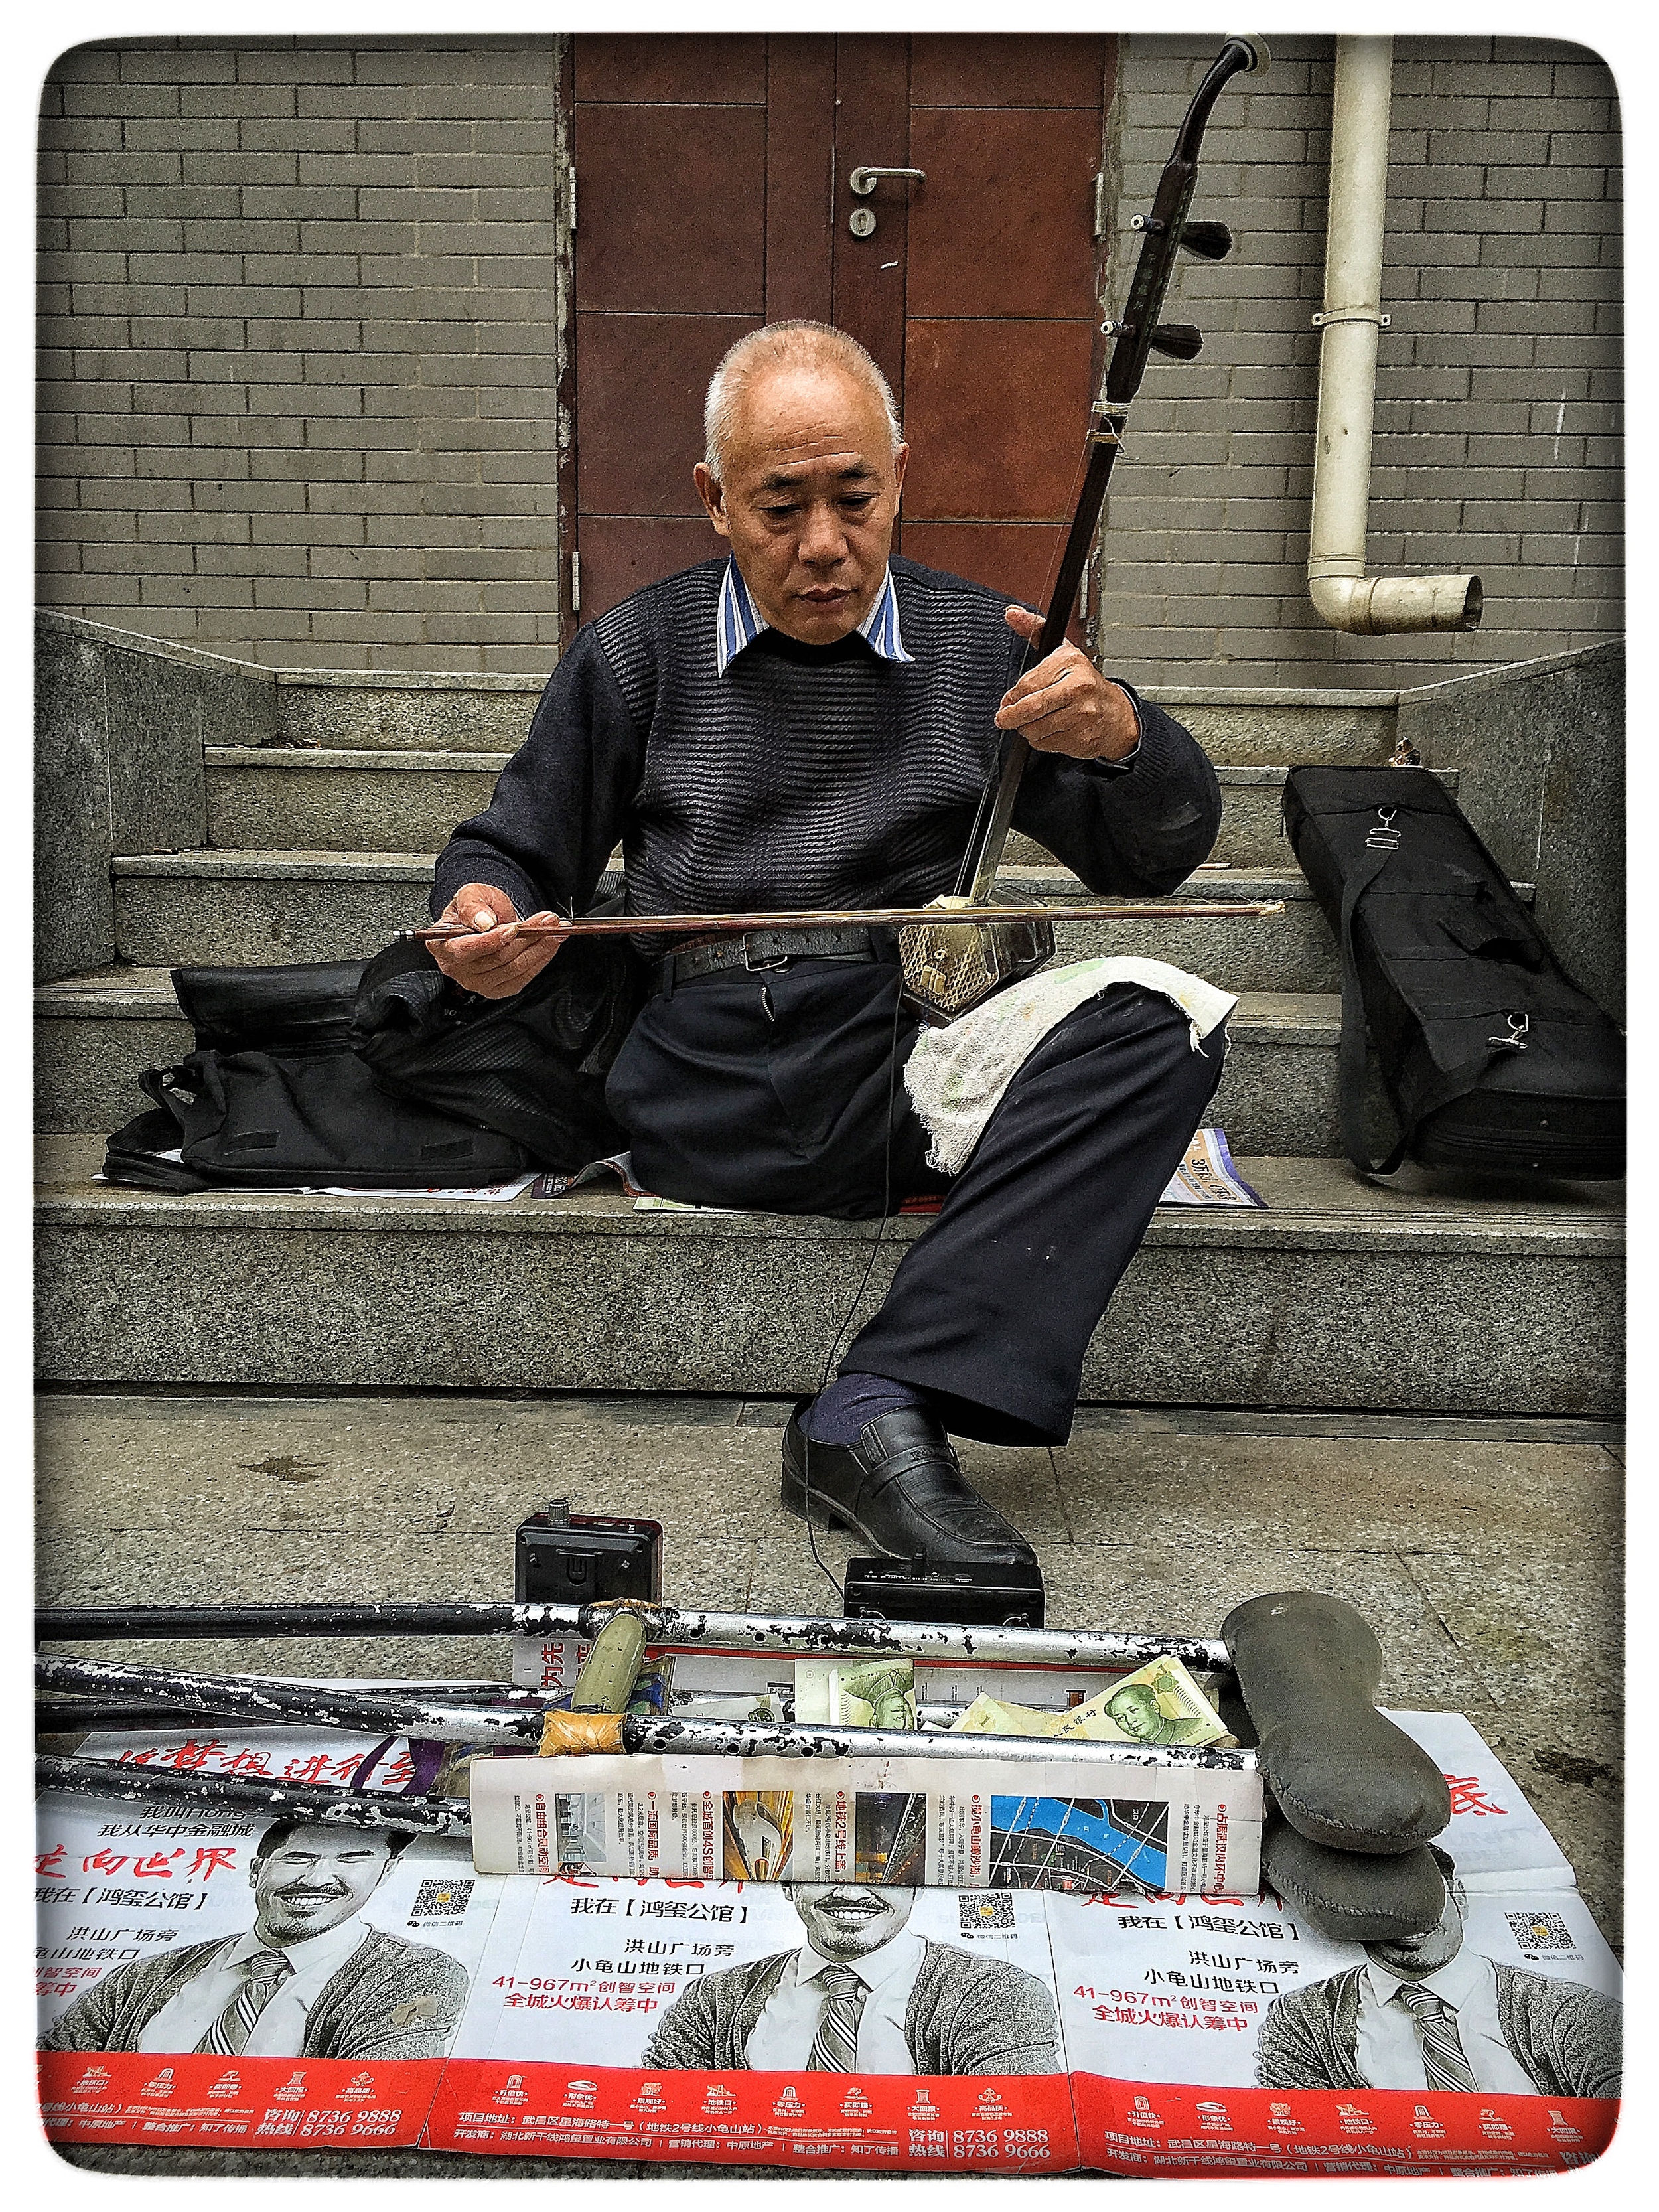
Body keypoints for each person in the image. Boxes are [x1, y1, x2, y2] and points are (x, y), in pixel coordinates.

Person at [427, 319, 1227, 1568]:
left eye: (856, 500)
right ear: (711, 498)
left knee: (1162, 1020)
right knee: (844, 1004)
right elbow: (515, 848)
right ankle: (894, 1398)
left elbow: (1157, 856)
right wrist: (483, 914)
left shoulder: (982, 652)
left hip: (910, 1054)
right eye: (778, 506)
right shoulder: (637, 652)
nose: (823, 547)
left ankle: (877, 1398)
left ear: (900, 475)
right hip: (720, 1070)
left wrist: (1124, 737)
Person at [42, 1820, 468, 2062]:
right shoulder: (144, 1976)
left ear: (386, 1873)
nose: (317, 1881)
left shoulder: (415, 1974)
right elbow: (51, 2077)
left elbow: (372, 2095)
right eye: (298, 1858)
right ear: (255, 1871)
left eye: (352, 1860)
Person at [1256, 1850, 1621, 2099]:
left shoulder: (1569, 2009)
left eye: (1425, 1900)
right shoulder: (1299, 2018)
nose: (1408, 1923)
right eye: (1376, 1910)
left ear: (1458, 1897)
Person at [640, 1882, 1061, 2075]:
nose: (854, 1894)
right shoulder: (714, 1999)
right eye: (827, 1871)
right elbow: (660, 2120)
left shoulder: (1001, 1993)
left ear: (920, 1885)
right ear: (785, 1882)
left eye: (884, 1873)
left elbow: (1008, 2130)